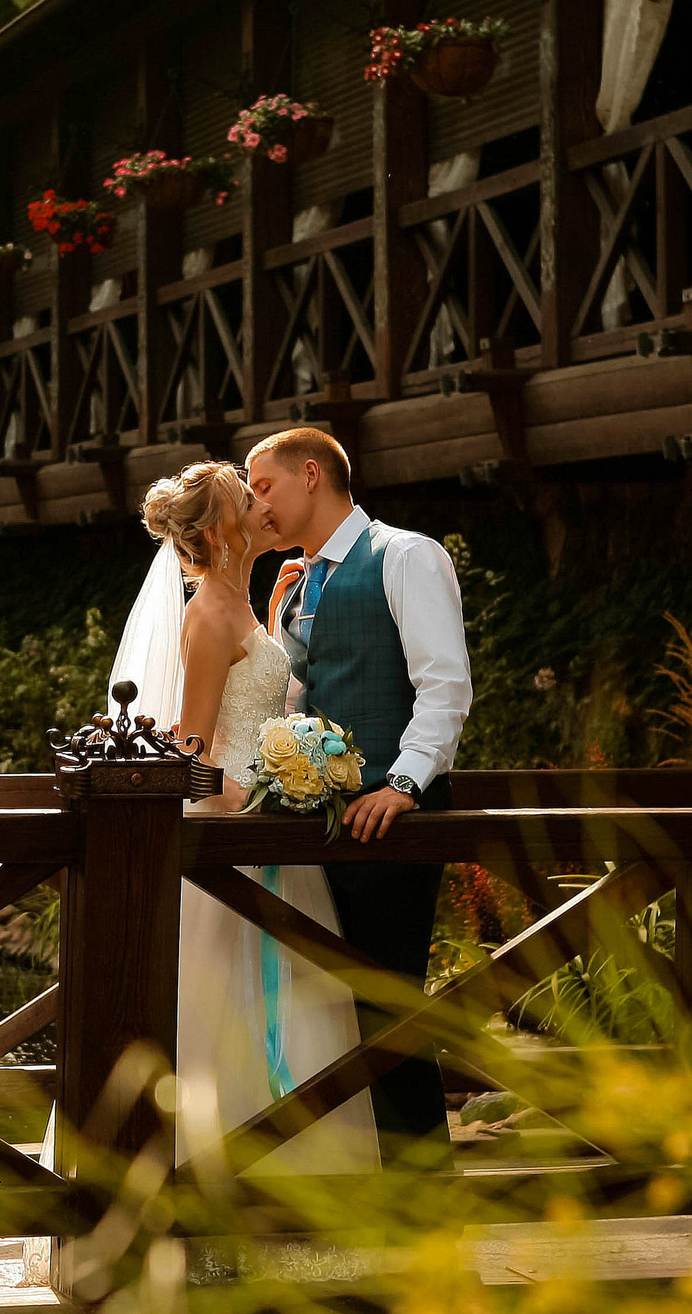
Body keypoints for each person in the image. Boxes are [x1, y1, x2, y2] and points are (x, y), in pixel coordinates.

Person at [114, 460, 379, 1174]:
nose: (263, 503)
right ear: (218, 530)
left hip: (270, 842)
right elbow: (188, 751)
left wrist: (271, 625)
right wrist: (254, 798)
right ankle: (210, 1194)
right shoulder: (204, 614)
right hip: (234, 844)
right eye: (246, 497)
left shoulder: (236, 600)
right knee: (222, 1015)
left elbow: (252, 698)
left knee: (294, 1009)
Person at [244, 427, 473, 1168]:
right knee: (324, 1005)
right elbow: (298, 696)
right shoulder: (298, 579)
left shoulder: (406, 555)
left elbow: (445, 683)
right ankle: (354, 1179)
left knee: (387, 1000)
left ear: (312, 474)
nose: (256, 503)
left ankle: (420, 1193)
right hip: (314, 824)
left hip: (389, 818)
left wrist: (405, 783)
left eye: (264, 486)